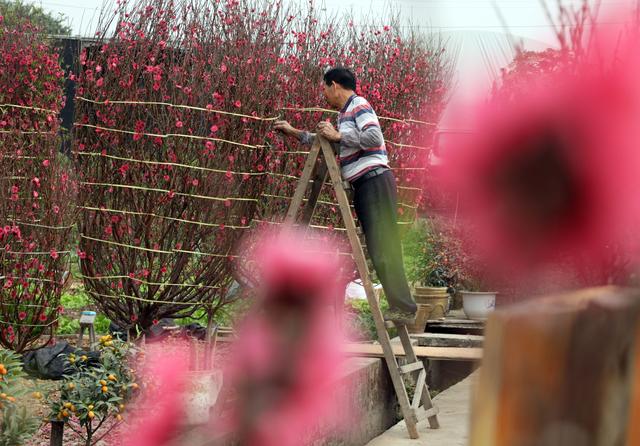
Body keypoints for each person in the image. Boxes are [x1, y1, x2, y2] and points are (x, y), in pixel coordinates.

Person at [274, 67, 418, 324]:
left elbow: (373, 135)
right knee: (377, 247)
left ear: (335, 85)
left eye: (325, 88)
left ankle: (405, 308)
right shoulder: (344, 114)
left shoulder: (358, 105)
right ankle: (402, 306)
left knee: (384, 246)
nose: (325, 94)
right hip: (367, 184)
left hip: (374, 180)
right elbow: (333, 143)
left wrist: (339, 134)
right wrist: (294, 132)